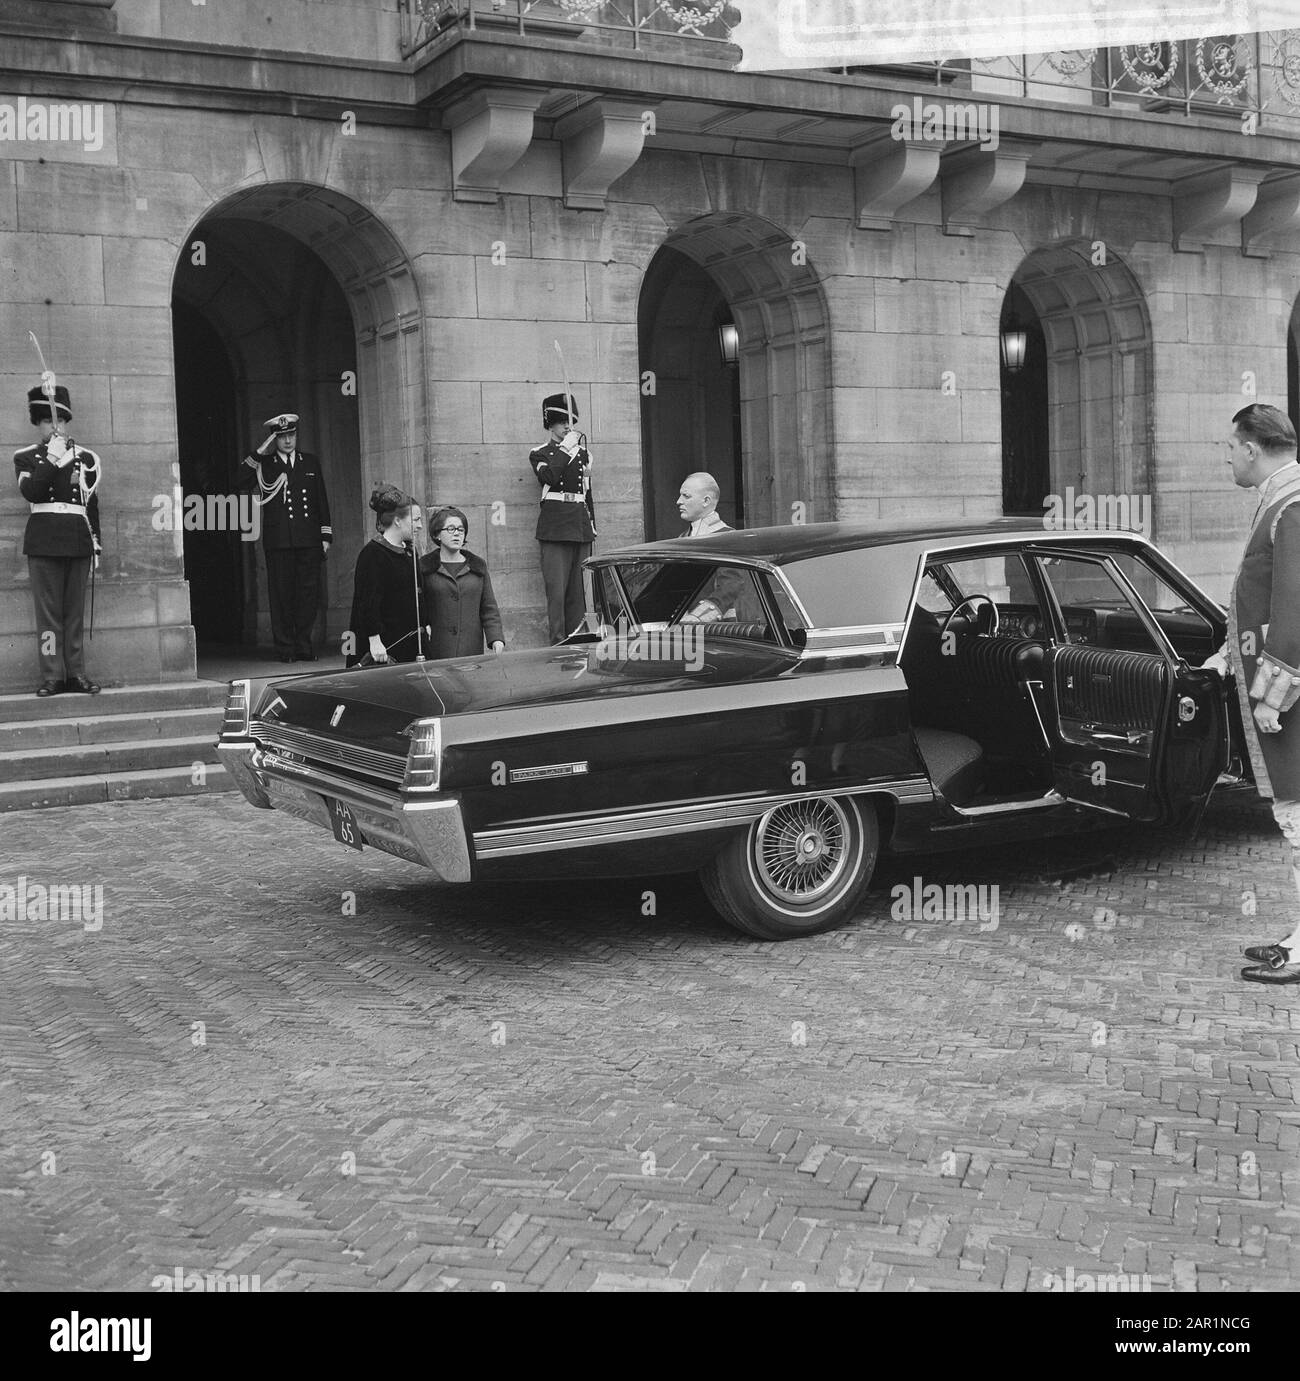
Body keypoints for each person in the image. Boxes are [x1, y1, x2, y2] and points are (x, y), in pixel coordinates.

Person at [1202, 405, 1300, 983]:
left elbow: (1292, 609)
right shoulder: (1281, 498)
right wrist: (1225, 658)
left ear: (1254, 447)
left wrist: (1272, 694)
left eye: (1230, 446)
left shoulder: (1291, 505)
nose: (1227, 457)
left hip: (1289, 695)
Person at [13, 381, 102, 696]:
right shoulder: (26, 458)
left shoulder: (85, 457)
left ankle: (76, 673)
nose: (56, 426)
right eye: (50, 420)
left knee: (74, 613)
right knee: (49, 614)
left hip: (77, 539)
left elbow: (90, 502)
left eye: (61, 420)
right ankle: (53, 674)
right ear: (39, 423)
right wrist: (51, 459)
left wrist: (96, 541)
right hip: (45, 539)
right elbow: (33, 492)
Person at [241, 412, 332, 662]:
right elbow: (240, 480)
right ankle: (285, 647)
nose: (288, 441)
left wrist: (325, 535)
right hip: (279, 540)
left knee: (307, 594)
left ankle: (304, 645)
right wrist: (260, 451)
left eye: (291, 435)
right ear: (274, 439)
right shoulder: (265, 464)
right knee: (281, 595)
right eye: (281, 437)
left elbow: (320, 499)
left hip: (308, 539)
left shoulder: (310, 462)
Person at [530, 392, 594, 643]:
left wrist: (592, 523)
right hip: (555, 527)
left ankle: (576, 644)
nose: (568, 426)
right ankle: (557, 645)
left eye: (570, 421)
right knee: (556, 594)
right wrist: (566, 448)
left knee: (579, 594)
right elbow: (549, 478)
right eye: (561, 421)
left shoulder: (583, 454)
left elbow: (587, 493)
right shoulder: (540, 453)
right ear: (550, 423)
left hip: (579, 525)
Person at [346, 484, 425, 666]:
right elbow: (367, 602)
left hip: (410, 643)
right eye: (416, 520)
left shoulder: (409, 552)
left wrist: (425, 623)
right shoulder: (373, 553)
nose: (420, 526)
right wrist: (374, 640)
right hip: (384, 647)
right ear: (397, 521)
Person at [420, 506, 505, 659]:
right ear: (437, 534)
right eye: (451, 529)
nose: (457, 534)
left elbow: (489, 608)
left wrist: (496, 638)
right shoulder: (425, 568)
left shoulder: (477, 567)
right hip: (437, 648)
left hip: (470, 649)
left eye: (461, 529)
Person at [676, 471, 732, 538]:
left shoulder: (728, 536)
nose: (678, 501)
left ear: (706, 501)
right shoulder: (682, 536)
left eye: (686, 496)